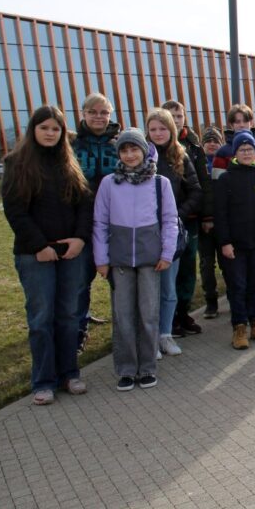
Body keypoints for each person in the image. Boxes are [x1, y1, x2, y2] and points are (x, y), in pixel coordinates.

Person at [2, 105, 93, 406]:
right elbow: (15, 211)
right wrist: (39, 246)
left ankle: (69, 373)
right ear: (34, 130)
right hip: (35, 255)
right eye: (45, 128)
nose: (50, 133)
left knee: (68, 316)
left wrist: (80, 239)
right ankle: (43, 381)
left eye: (56, 129)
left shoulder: (70, 161)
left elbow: (85, 204)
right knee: (41, 319)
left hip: (70, 253)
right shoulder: (16, 163)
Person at [92, 128, 178, 392]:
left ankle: (148, 367)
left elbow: (170, 220)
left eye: (134, 149)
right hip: (119, 261)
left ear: (144, 151)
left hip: (151, 260)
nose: (130, 155)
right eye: (124, 150)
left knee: (148, 315)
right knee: (123, 316)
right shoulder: (109, 183)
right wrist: (101, 259)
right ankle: (127, 369)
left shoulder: (160, 183)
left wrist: (166, 253)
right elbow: (100, 223)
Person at [214, 131, 255, 350]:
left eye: (250, 149)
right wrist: (225, 242)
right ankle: (239, 327)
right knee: (237, 285)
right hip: (234, 245)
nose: (246, 153)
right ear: (235, 153)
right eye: (242, 149)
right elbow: (220, 214)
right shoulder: (225, 179)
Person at [146, 109, 201, 353]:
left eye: (163, 128)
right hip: (145, 233)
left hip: (171, 233)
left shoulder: (180, 156)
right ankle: (150, 337)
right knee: (149, 290)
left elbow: (195, 191)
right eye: (153, 129)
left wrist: (176, 215)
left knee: (169, 287)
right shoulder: (141, 154)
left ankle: (166, 334)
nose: (158, 133)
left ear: (171, 130)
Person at [72, 92, 119, 352]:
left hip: (116, 223)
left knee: (119, 279)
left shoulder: (119, 144)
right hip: (82, 222)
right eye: (93, 112)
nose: (99, 117)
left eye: (104, 112)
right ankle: (79, 329)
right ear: (84, 114)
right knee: (80, 280)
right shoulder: (73, 145)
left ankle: (123, 330)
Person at [161, 100, 211, 335]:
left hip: (188, 218)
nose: (176, 120)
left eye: (179, 116)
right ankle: (168, 318)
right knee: (167, 269)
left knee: (188, 268)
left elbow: (201, 183)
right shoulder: (150, 148)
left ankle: (183, 312)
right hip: (160, 222)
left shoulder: (193, 146)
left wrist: (205, 215)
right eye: (170, 116)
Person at [198, 127, 227, 318]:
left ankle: (233, 295)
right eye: (208, 141)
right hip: (204, 225)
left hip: (224, 223)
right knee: (207, 264)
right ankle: (211, 301)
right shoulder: (198, 165)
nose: (212, 144)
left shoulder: (226, 164)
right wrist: (206, 218)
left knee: (227, 262)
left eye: (215, 141)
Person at [213, 104, 255, 178]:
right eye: (237, 122)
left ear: (251, 123)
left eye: (245, 121)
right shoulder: (222, 152)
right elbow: (218, 181)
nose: (242, 125)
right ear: (231, 125)